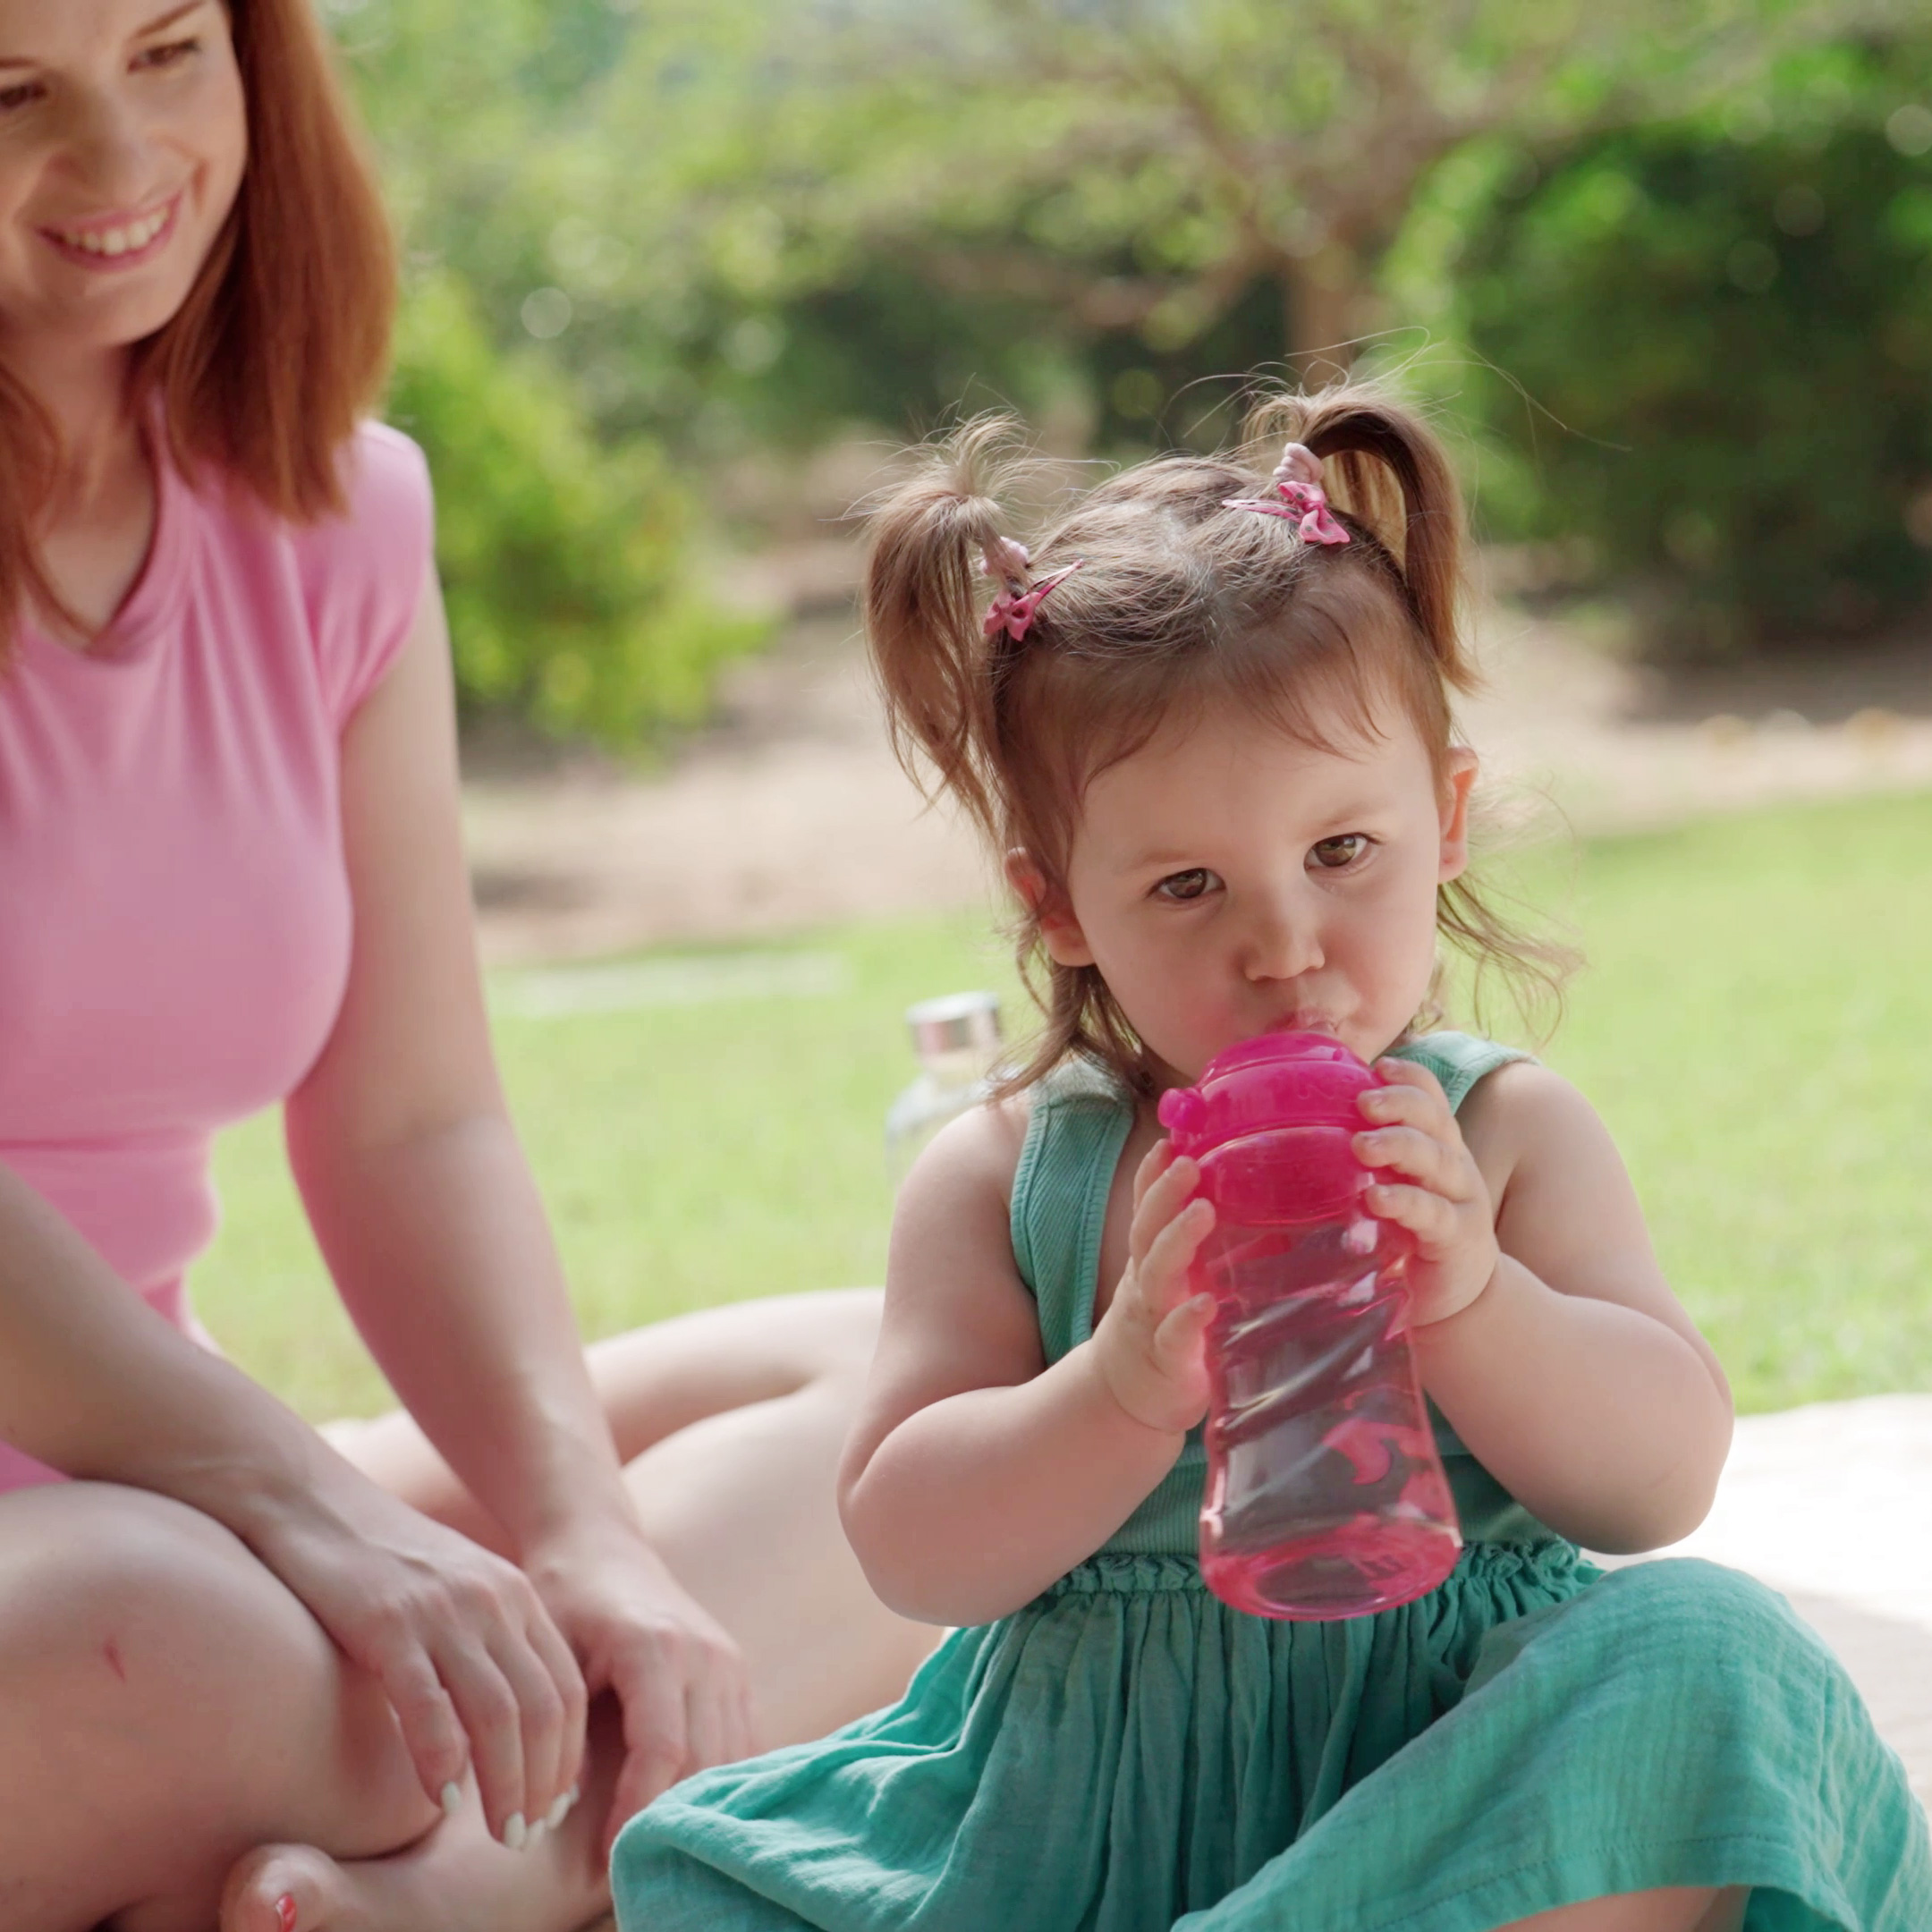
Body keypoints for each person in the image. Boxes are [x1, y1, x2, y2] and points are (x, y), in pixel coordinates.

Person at [611, 394, 1932, 1931]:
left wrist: (1477, 1296)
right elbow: (911, 1544)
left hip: (1452, 1780)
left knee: (1710, 1655)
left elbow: (1659, 1483)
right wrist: (1118, 1380)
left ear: (1443, 824)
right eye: (1186, 885)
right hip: (1097, 1824)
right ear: (1058, 911)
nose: (1283, 945)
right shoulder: (1004, 1182)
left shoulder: (1501, 1138)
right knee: (711, 1872)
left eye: (1342, 854)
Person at [0, 4, 934, 1929]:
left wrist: (584, 1539)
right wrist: (318, 1515)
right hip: (109, 1582)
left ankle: (434, 1899)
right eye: (9, 95)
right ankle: (549, 1834)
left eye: (171, 51)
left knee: (913, 1399)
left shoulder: (335, 511)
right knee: (145, 1626)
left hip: (181, 1486)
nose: (118, 161)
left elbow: (413, 1119)